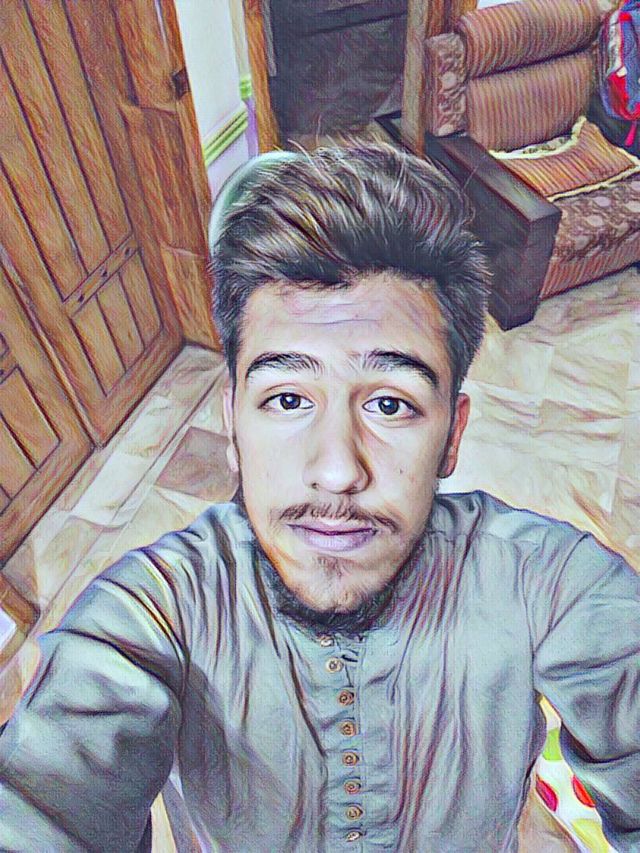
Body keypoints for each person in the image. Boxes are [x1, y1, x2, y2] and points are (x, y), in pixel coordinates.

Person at [0, 142, 638, 853]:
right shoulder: (156, 611)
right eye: (287, 397)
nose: (336, 470)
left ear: (452, 437)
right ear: (233, 425)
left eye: (391, 404)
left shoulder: (547, 583)